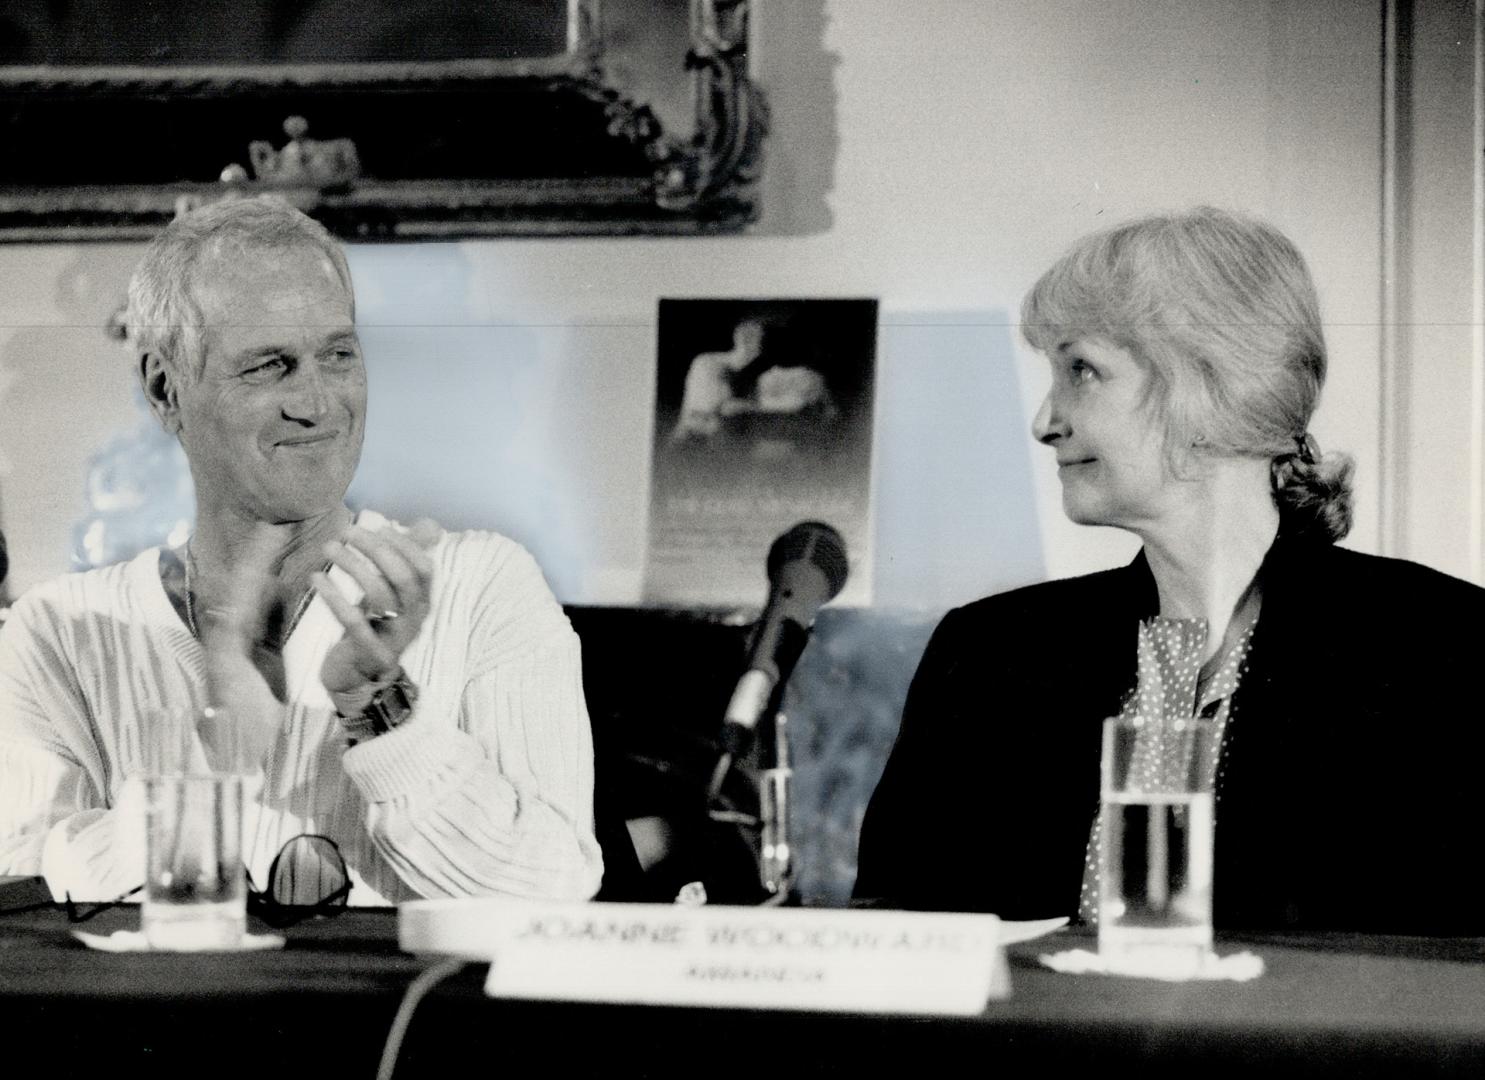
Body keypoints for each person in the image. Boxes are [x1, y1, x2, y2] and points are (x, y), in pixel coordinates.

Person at [853, 206, 1485, 936]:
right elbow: (892, 933)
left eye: (1080, 370)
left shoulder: (1446, 650)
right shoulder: (987, 653)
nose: (1044, 421)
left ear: (1207, 383)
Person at [0, 196, 604, 905]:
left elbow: (549, 890)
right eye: (269, 367)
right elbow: (21, 902)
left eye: (338, 355)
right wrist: (212, 769)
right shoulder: (59, 633)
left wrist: (380, 708)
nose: (317, 403)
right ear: (165, 389)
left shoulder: (479, 586)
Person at [669, 318, 766, 442]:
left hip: (718, 444)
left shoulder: (749, 376)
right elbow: (720, 408)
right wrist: (763, 407)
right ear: (745, 340)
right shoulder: (708, 363)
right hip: (693, 443)